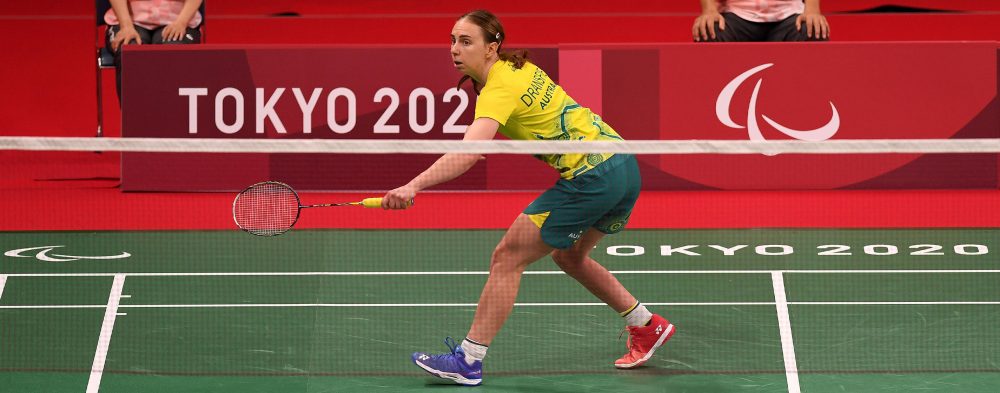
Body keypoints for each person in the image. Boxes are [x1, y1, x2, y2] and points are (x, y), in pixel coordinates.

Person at [382, 9, 675, 387]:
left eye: (466, 41)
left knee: (506, 257)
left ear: (492, 47)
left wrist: (412, 186)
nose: (455, 49)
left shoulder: (500, 86)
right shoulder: (516, 68)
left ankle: (468, 360)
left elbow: (468, 153)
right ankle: (645, 324)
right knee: (569, 256)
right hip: (623, 167)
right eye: (453, 40)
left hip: (592, 177)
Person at [104, 0, 204, 101]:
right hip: (129, 20)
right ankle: (135, 116)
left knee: (174, 54)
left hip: (178, 19)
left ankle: (171, 115)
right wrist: (126, 26)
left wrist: (181, 22)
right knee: (130, 54)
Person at [693, 0, 830, 42]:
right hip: (737, 14)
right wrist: (709, 10)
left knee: (814, 31)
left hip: (788, 15)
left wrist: (812, 10)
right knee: (708, 31)